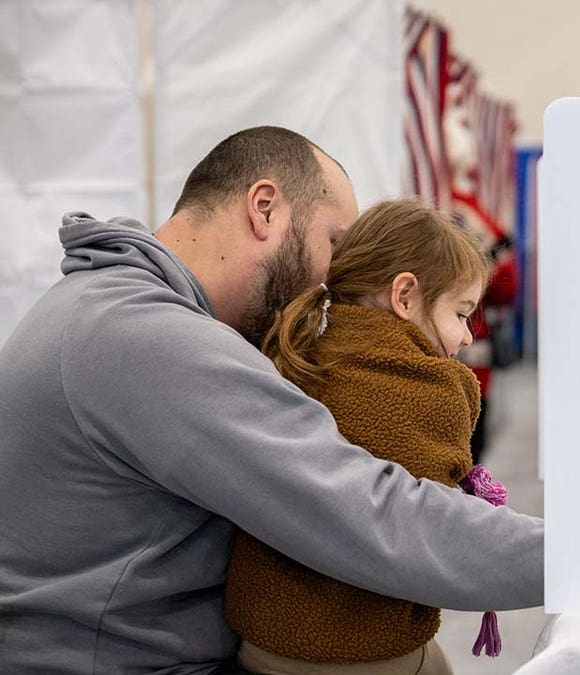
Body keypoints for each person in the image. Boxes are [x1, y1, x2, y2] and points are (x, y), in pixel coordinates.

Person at [0, 127, 543, 674]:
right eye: (333, 242)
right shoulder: (146, 338)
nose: (334, 278)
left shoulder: (102, 305)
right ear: (264, 209)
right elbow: (374, 516)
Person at [223, 198, 501, 674]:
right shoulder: (431, 391)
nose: (466, 338)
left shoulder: (296, 352)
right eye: (461, 314)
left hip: (260, 637)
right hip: (354, 649)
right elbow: (432, 537)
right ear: (405, 296)